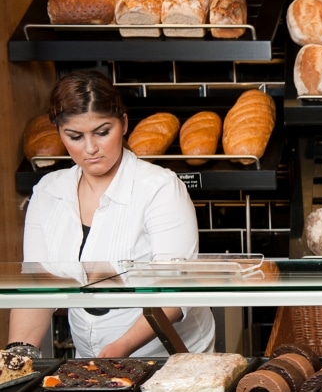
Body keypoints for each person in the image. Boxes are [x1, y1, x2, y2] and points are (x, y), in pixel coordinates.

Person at [6, 70, 214, 358]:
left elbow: (175, 295)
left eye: (103, 132)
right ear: (59, 133)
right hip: (91, 356)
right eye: (75, 136)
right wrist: (18, 355)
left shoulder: (160, 188)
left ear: (124, 123)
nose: (91, 148)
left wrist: (117, 351)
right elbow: (38, 287)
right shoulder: (48, 192)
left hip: (169, 357)